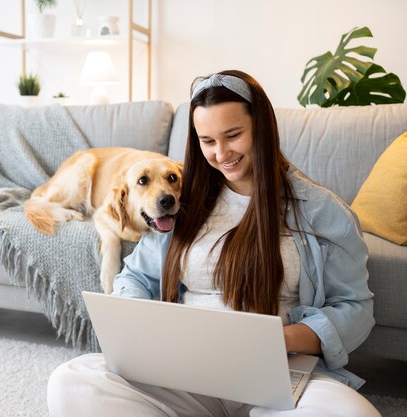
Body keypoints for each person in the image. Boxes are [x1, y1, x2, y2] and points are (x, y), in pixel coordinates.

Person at [47, 70, 381, 417]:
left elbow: (355, 309)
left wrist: (281, 340)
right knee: (70, 381)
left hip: (277, 376)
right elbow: (134, 278)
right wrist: (143, 331)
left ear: (261, 129)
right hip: (184, 373)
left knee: (354, 414)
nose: (222, 153)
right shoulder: (187, 203)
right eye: (207, 141)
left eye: (233, 135)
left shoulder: (321, 211)